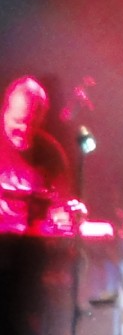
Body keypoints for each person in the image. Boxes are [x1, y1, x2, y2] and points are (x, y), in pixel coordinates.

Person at [0, 76, 71, 235]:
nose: (25, 130)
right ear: (4, 111)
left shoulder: (51, 153)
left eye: (33, 123)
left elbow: (62, 205)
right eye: (18, 121)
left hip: (34, 244)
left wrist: (65, 215)